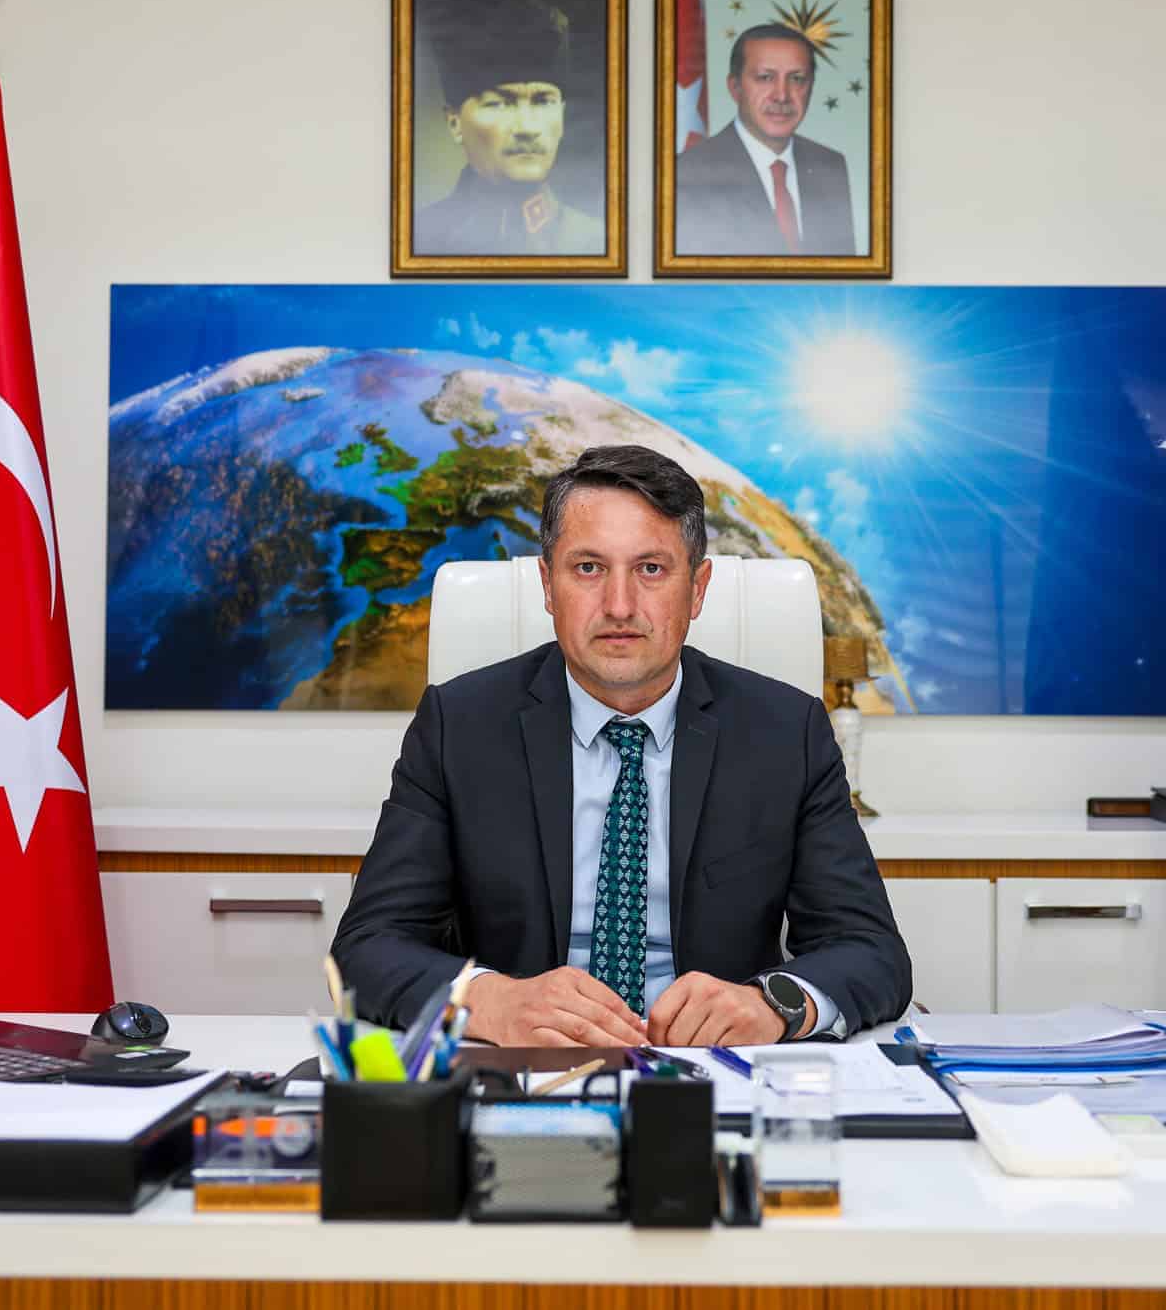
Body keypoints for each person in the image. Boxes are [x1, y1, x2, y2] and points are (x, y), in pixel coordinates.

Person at [332, 445, 911, 1047]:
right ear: (548, 585)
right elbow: (368, 945)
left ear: (697, 589)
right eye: (588, 568)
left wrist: (773, 1004)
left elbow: (871, 951)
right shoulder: (459, 726)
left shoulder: (785, 732)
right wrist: (489, 1001)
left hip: (717, 1069)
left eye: (651, 569)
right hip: (526, 1065)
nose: (619, 606)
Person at [415, 0, 605, 257]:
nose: (527, 128)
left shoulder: (596, 243)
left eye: (543, 101)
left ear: (562, 116)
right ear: (455, 123)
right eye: (498, 104)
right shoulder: (420, 238)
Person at [674, 24, 856, 257]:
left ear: (810, 88)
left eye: (797, 79)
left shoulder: (830, 166)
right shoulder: (687, 173)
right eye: (765, 78)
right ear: (735, 88)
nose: (782, 95)